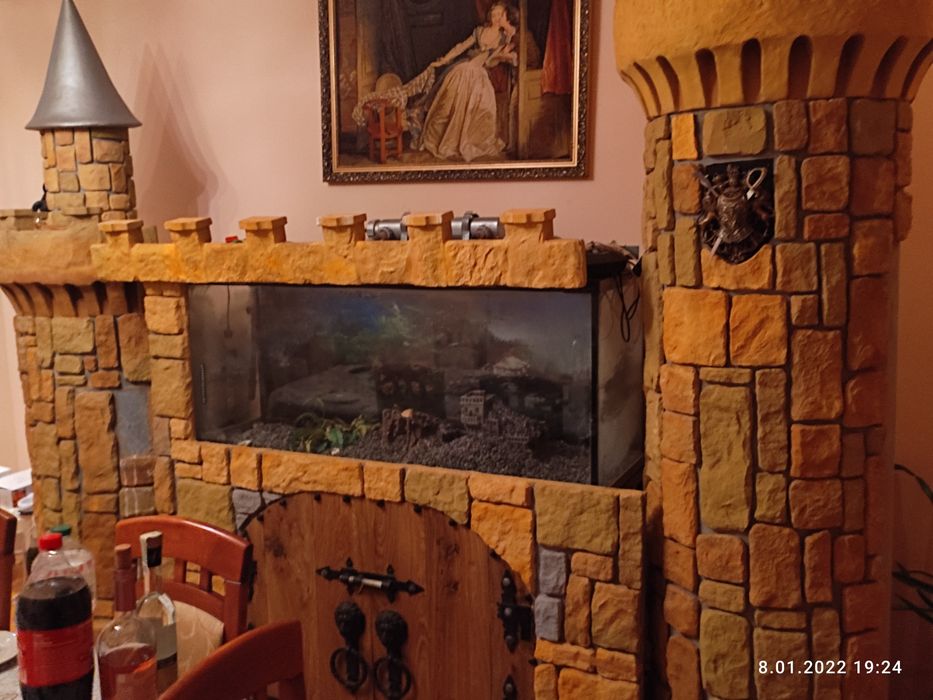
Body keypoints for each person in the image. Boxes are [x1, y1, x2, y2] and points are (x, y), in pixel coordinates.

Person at [417, 3, 518, 162]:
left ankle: (469, 138)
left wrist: (500, 55)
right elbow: (461, 47)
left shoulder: (504, 37)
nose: (497, 18)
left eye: (500, 15)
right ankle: (448, 136)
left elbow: (496, 59)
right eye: (494, 15)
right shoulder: (479, 31)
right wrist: (445, 59)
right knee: (453, 88)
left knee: (479, 95)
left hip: (482, 71)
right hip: (467, 66)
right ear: (490, 16)